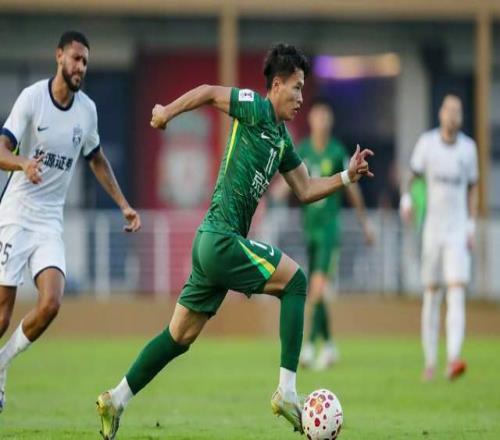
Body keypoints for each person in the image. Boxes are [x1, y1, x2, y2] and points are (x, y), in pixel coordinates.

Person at [96, 43, 373, 439]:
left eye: (303, 89)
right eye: (296, 87)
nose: (300, 97)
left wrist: (346, 177)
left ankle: (116, 399)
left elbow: (306, 188)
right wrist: (167, 112)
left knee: (179, 337)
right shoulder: (255, 107)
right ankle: (287, 392)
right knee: (296, 282)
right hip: (221, 239)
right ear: (276, 86)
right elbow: (209, 92)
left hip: (211, 244)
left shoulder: (282, 141)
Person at [0, 31, 141, 412]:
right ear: (59, 56)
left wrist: (124, 205)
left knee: (51, 303)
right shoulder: (32, 98)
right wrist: (22, 163)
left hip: (49, 221)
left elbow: (96, 158)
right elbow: (2, 148)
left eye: (85, 62)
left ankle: (1, 364)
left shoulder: (87, 110)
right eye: (76, 59)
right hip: (15, 215)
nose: (81, 67)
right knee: (2, 316)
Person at [400, 94, 478, 381]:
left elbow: (473, 187)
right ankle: (431, 362)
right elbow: (411, 176)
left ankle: (454, 358)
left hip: (457, 231)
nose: (453, 115)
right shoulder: (427, 144)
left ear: (461, 116)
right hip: (433, 230)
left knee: (457, 290)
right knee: (432, 294)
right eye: (449, 110)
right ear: (441, 114)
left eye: (458, 110)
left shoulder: (469, 149)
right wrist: (407, 199)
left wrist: (471, 225)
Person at [293, 98, 374, 370]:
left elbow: (353, 188)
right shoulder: (303, 150)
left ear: (331, 121)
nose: (322, 121)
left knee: (316, 290)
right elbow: (291, 180)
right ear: (311, 119)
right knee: (317, 293)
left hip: (329, 231)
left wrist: (365, 224)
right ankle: (328, 346)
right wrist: (273, 195)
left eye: (326, 117)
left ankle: (307, 348)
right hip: (309, 230)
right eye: (318, 116)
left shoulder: (337, 150)